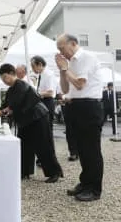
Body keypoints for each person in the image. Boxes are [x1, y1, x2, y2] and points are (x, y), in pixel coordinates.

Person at [0, 63, 63, 183]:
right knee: (23, 146)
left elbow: (16, 104)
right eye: (2, 79)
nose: (4, 81)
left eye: (5, 77)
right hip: (26, 120)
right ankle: (24, 171)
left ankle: (54, 172)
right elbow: (6, 105)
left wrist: (1, 112)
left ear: (12, 74)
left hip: (37, 117)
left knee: (43, 145)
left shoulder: (21, 84)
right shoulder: (11, 89)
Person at [56, 33, 103, 201]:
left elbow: (80, 84)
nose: (61, 53)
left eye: (62, 48)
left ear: (73, 43)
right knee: (82, 149)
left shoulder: (86, 57)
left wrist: (64, 69)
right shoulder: (70, 63)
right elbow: (65, 88)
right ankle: (85, 183)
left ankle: (94, 189)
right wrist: (63, 71)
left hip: (89, 106)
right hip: (75, 106)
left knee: (91, 149)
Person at [31, 55, 57, 167]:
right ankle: (44, 157)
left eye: (33, 66)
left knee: (47, 132)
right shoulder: (41, 75)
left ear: (40, 64)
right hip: (43, 102)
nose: (32, 69)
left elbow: (50, 92)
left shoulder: (48, 74)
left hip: (47, 102)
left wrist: (36, 94)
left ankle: (50, 158)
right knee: (42, 132)